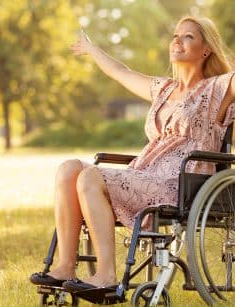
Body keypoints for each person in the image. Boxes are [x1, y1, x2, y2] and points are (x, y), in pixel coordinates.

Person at [30, 15, 235, 292]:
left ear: (206, 49)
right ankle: (66, 265)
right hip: (146, 173)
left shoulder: (218, 88)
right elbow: (120, 72)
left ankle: (105, 276)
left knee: (90, 177)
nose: (178, 40)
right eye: (176, 35)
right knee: (69, 169)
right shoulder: (164, 89)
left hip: (180, 183)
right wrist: (92, 49)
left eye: (188, 36)